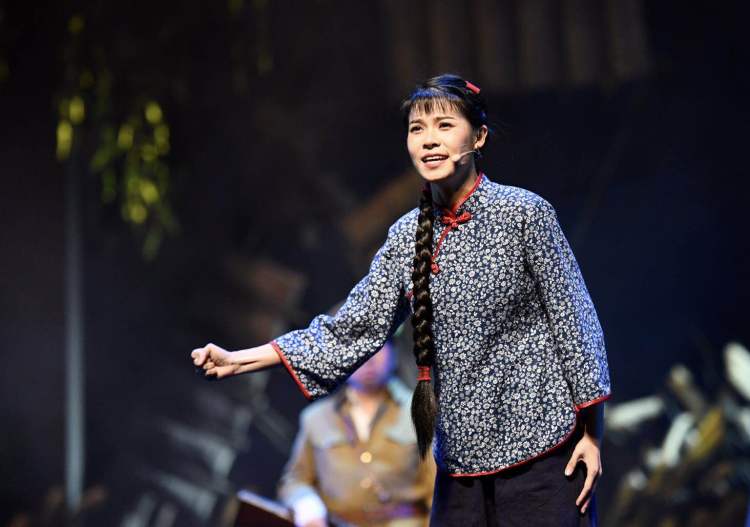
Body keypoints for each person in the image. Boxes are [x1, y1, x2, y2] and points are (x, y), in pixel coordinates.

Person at [192, 74, 611, 526]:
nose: (429, 140)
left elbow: (575, 323)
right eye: (417, 128)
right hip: (462, 468)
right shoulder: (406, 237)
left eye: (445, 126)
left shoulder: (525, 214)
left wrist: (593, 434)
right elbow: (348, 330)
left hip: (544, 455)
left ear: (479, 137)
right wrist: (240, 360)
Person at [278, 341, 436, 527]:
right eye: (357, 346)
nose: (368, 357)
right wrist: (307, 506)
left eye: (378, 346)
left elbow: (438, 488)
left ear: (393, 353)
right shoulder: (316, 417)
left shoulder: (421, 411)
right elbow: (295, 480)